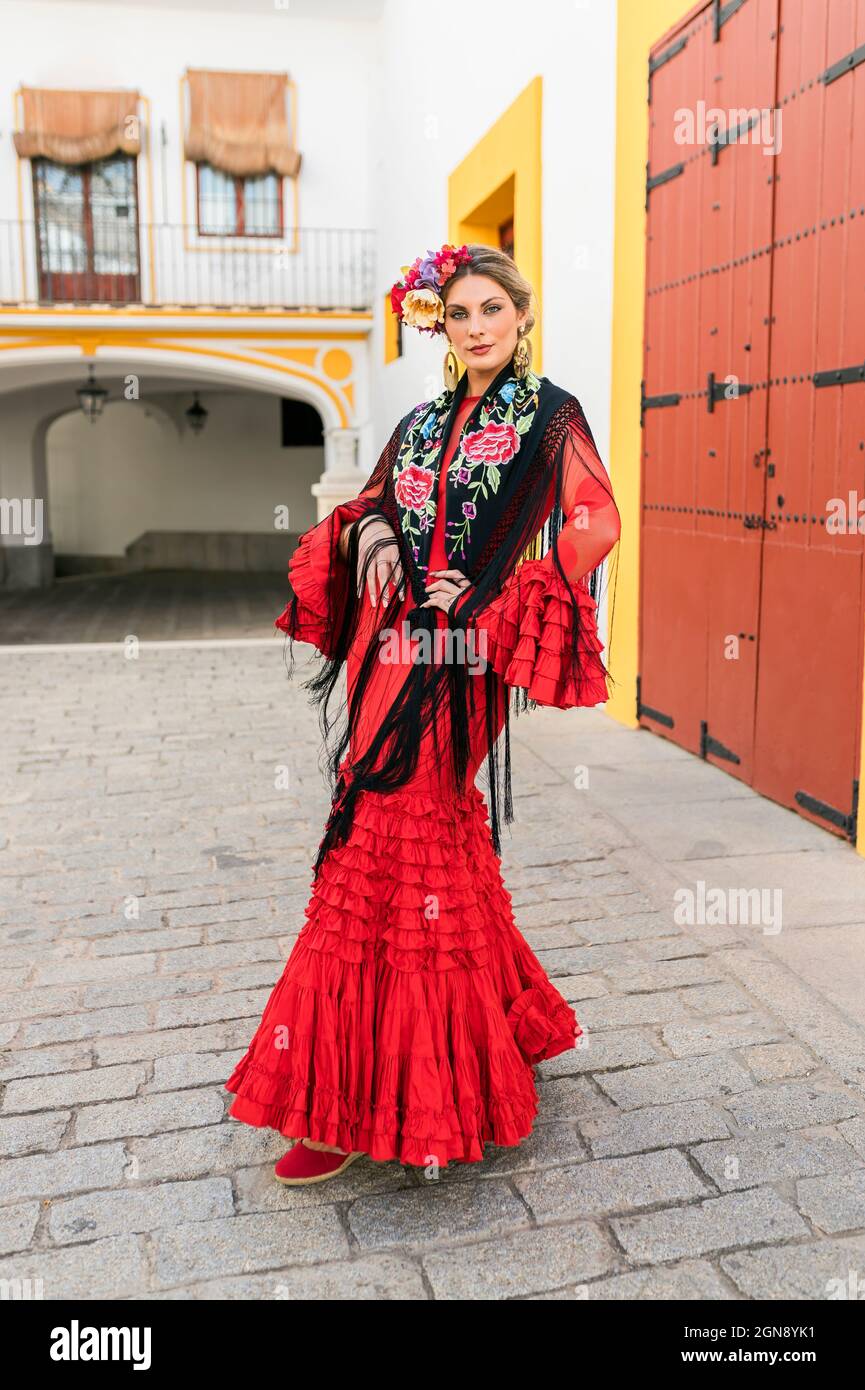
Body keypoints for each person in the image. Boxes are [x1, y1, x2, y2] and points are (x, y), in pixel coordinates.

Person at [224, 241, 622, 1184]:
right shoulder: (420, 418)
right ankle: (500, 1019)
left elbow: (596, 522)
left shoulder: (549, 418)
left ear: (521, 318)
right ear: (439, 323)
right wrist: (375, 540)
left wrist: (496, 594)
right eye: (460, 312)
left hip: (464, 653)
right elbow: (369, 501)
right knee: (408, 826)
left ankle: (345, 1101)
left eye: (493, 309)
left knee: (392, 827)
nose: (476, 326)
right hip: (392, 647)